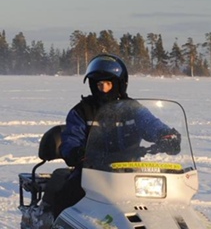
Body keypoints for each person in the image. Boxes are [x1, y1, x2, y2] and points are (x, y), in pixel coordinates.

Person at [43, 53, 181, 221]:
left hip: (131, 172)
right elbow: (72, 137)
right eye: (99, 84)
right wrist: (75, 152)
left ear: (119, 84)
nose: (103, 89)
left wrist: (166, 136)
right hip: (92, 171)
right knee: (67, 197)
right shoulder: (82, 111)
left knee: (161, 207)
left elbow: (151, 124)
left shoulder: (133, 110)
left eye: (108, 84)